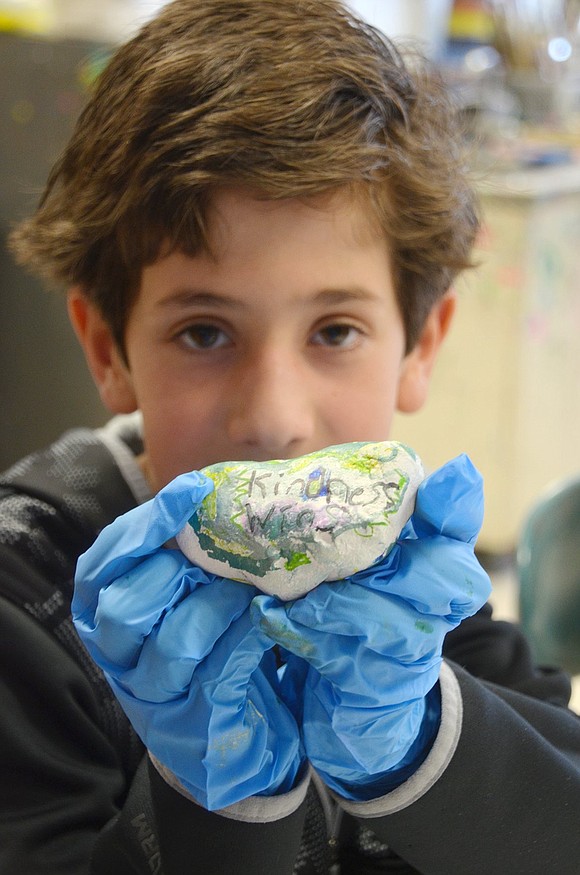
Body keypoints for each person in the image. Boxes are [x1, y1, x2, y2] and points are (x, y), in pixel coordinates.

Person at [2, 0, 580, 872]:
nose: (273, 417)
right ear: (105, 348)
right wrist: (213, 808)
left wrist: (432, 744)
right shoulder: (27, 604)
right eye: (204, 332)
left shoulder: (412, 582)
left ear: (419, 346)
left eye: (334, 331)